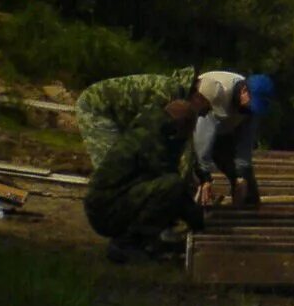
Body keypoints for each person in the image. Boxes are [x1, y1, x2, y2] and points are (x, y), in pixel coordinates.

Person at [84, 97, 205, 264]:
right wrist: (198, 219)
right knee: (171, 186)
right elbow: (173, 188)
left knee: (170, 187)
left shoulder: (152, 130)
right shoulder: (152, 141)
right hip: (106, 209)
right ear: (180, 126)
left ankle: (146, 241)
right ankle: (128, 244)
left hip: (109, 202)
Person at [73, 67, 196, 168]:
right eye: (207, 109)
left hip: (117, 115)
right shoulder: (168, 93)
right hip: (96, 108)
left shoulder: (179, 94)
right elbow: (146, 134)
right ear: (200, 97)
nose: (205, 114)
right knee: (114, 169)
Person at [191, 71, 274, 208]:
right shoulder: (217, 93)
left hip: (226, 130)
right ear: (244, 91)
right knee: (199, 167)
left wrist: (241, 177)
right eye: (251, 105)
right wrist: (205, 176)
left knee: (247, 188)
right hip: (198, 129)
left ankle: (245, 199)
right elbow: (202, 140)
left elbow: (245, 144)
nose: (251, 111)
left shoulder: (252, 111)